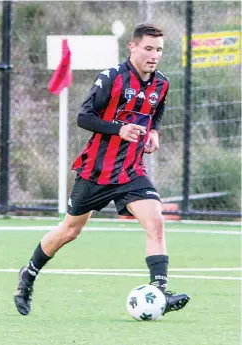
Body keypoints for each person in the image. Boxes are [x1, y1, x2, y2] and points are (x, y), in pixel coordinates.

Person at [14, 23, 190, 316]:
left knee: (155, 222)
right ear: (132, 47)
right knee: (70, 231)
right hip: (95, 171)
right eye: (148, 48)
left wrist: (155, 132)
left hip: (131, 170)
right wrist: (120, 130)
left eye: (158, 50)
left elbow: (156, 110)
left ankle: (159, 291)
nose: (154, 55)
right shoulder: (111, 78)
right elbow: (84, 117)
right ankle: (28, 275)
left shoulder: (161, 83)